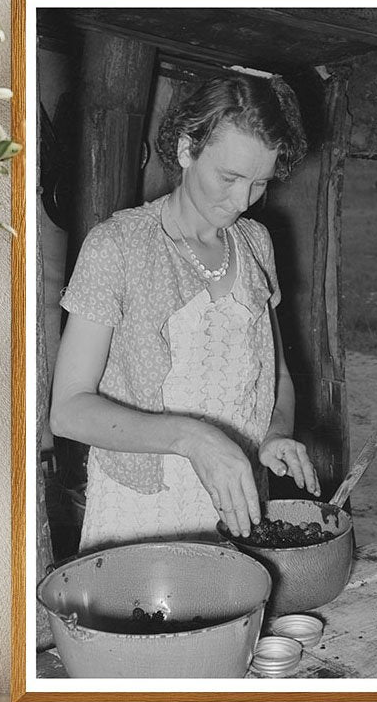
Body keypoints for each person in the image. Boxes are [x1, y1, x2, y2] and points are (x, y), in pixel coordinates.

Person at [50, 73, 320, 554]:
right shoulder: (119, 246)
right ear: (184, 149)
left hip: (236, 507)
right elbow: (68, 410)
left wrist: (274, 435)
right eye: (230, 178)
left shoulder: (256, 244)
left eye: (259, 183)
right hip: (142, 516)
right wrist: (193, 439)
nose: (241, 202)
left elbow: (276, 374)